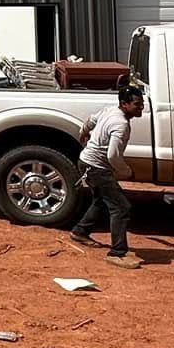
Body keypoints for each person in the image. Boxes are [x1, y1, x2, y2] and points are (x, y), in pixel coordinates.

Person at [70, 84, 145, 267]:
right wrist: (127, 172)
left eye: (142, 103)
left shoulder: (110, 111)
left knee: (101, 200)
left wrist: (83, 132)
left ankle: (80, 231)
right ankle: (117, 253)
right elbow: (113, 156)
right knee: (121, 207)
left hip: (87, 162)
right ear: (124, 104)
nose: (141, 107)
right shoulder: (121, 124)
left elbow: (91, 120)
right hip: (96, 168)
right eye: (137, 104)